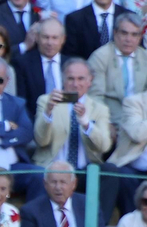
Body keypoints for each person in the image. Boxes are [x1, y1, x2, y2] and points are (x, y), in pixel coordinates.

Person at [32, 58, 111, 189]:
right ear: (63, 80)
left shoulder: (99, 108)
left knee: (110, 170)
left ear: (89, 81)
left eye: (81, 79)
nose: (75, 84)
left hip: (84, 172)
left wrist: (86, 124)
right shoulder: (46, 101)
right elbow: (41, 141)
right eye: (70, 79)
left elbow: (104, 146)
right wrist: (48, 111)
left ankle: (99, 211)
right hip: (53, 169)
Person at [20, 160, 88, 227]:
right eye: (53, 182)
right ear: (45, 184)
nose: (58, 187)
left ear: (74, 184)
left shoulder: (88, 205)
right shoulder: (31, 211)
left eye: (63, 182)